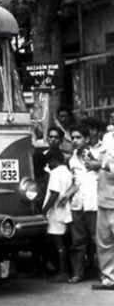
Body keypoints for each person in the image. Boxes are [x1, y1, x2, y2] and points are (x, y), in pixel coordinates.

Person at [68, 123, 101, 283]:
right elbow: (75, 183)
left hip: (94, 203)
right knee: (78, 241)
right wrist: (66, 196)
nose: (75, 140)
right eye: (73, 138)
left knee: (98, 240)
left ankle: (105, 273)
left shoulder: (97, 155)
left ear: (86, 139)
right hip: (78, 204)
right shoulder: (72, 159)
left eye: (78, 137)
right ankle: (78, 273)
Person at [41, 148, 74, 281]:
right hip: (66, 211)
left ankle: (63, 272)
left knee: (58, 243)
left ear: (52, 160)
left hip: (56, 212)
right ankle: (66, 270)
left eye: (48, 163)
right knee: (65, 242)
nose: (48, 166)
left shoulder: (55, 173)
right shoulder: (67, 172)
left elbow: (54, 193)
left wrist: (44, 210)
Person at [94, 127, 114, 289]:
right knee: (104, 241)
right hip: (103, 197)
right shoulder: (107, 138)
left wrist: (101, 165)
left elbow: (102, 164)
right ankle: (109, 277)